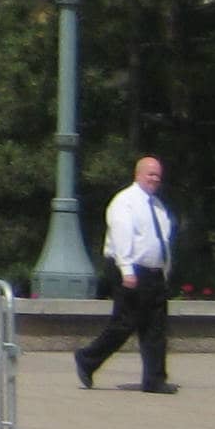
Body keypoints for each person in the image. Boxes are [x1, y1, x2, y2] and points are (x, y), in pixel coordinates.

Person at [74, 154, 179, 393]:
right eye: (150, 174)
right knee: (125, 323)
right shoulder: (125, 202)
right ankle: (87, 358)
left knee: (155, 326)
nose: (155, 179)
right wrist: (127, 271)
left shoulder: (158, 207)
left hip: (154, 273)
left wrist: (165, 269)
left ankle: (154, 379)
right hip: (130, 270)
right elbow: (122, 237)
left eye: (158, 176)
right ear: (138, 174)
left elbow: (162, 241)